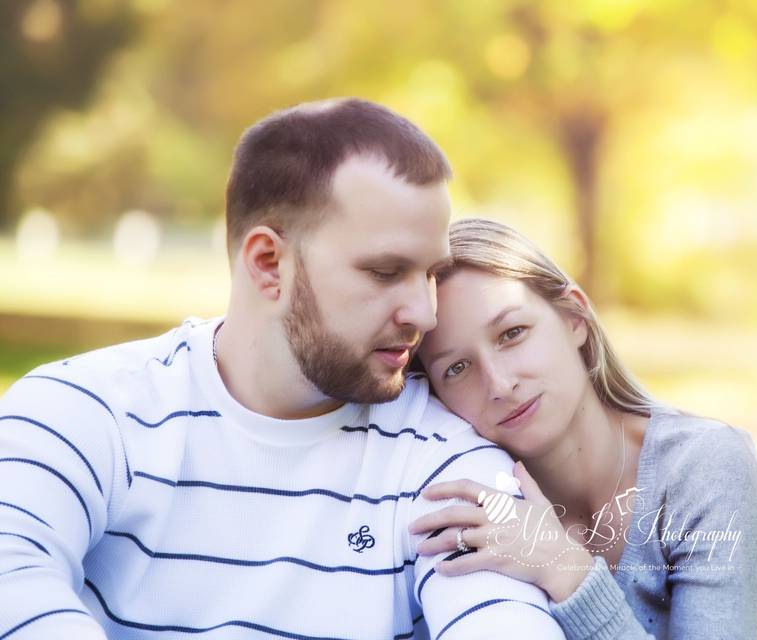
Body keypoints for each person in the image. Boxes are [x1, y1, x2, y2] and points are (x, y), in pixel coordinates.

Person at [0, 100, 565, 639]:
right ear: (269, 264)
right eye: (386, 271)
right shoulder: (82, 410)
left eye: (430, 273)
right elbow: (13, 577)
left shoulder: (450, 461)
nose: (424, 312)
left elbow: (502, 623)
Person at [409, 218, 757, 639]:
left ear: (574, 318)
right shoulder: (473, 506)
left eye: (512, 333)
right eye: (456, 368)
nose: (499, 384)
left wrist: (567, 572)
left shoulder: (707, 469)